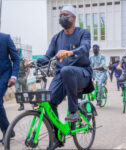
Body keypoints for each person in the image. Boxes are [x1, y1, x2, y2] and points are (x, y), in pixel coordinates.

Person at [27, 4, 94, 149]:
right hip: (62, 75)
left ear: (73, 17)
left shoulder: (83, 33)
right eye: (60, 15)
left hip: (82, 73)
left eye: (65, 15)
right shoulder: (57, 37)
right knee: (50, 102)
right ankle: (57, 138)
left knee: (67, 70)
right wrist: (35, 62)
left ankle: (74, 111)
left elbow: (85, 48)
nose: (62, 17)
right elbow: (47, 56)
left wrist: (69, 52)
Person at [0, 33, 20, 144]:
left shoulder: (5, 38)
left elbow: (16, 59)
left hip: (4, 75)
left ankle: (7, 131)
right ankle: (9, 131)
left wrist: (13, 76)